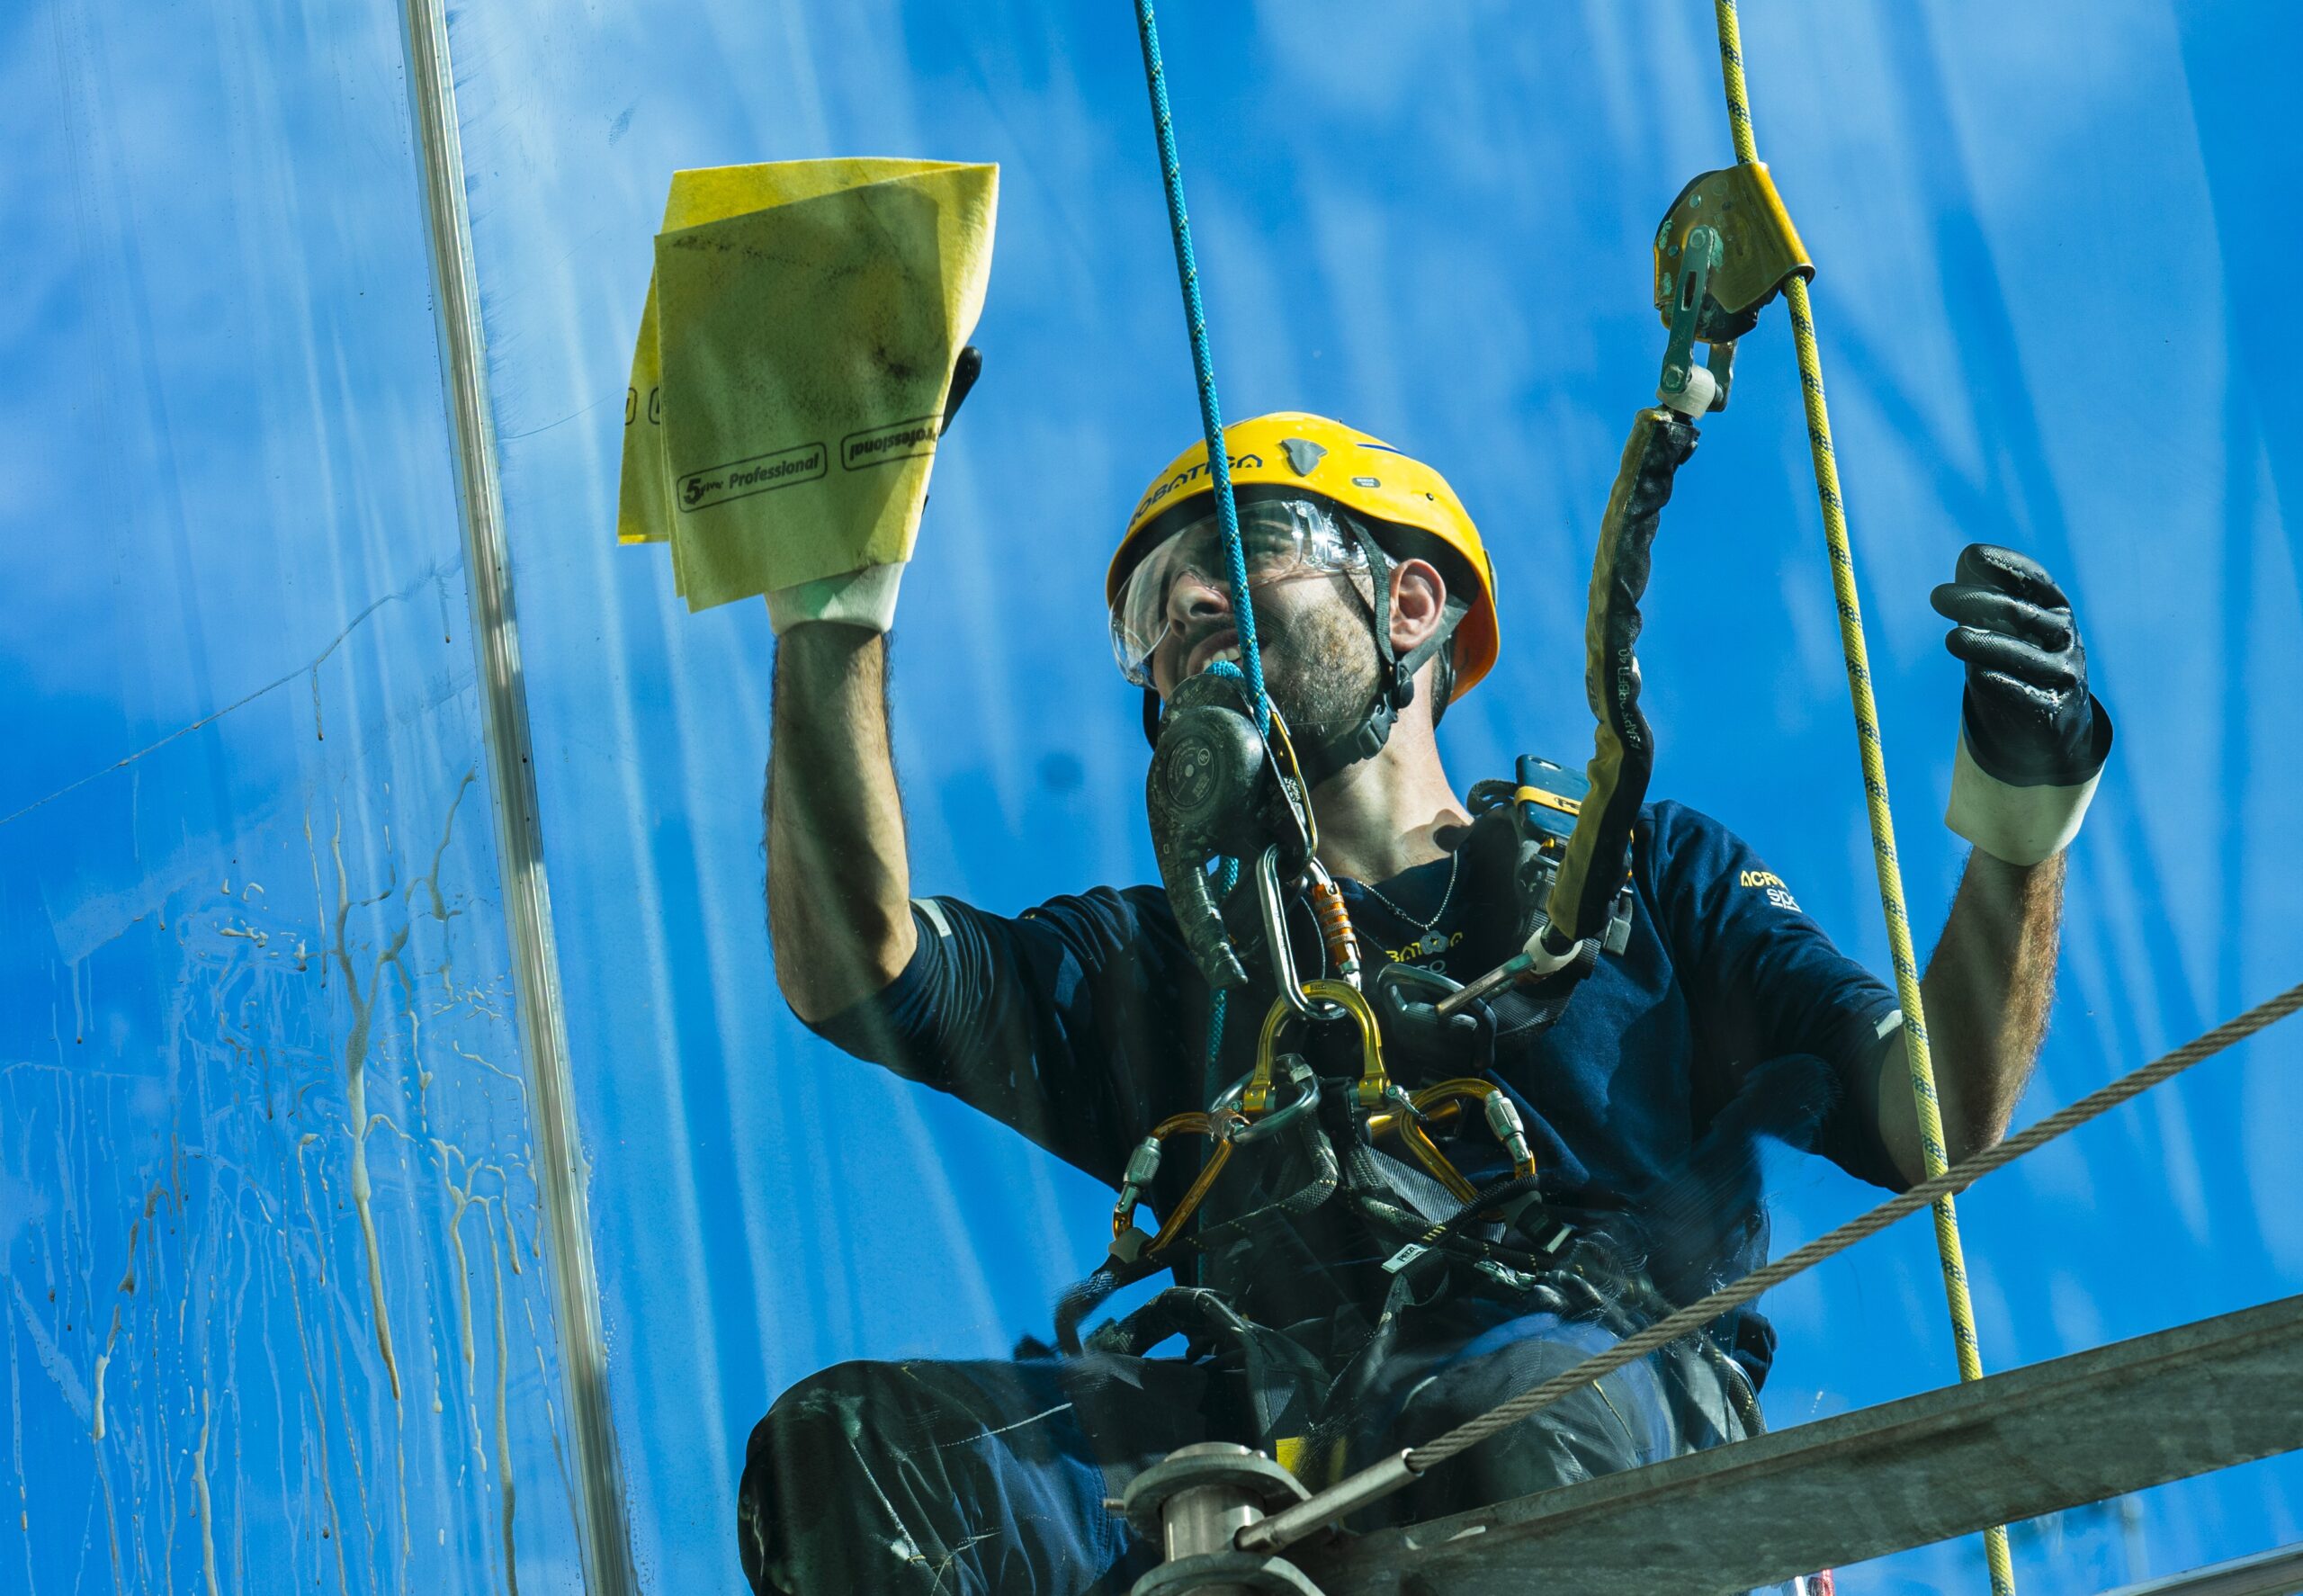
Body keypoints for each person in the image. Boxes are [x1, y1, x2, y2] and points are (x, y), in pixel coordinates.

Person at [739, 410, 2112, 1596]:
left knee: (1508, 1411)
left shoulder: (1632, 878)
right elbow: (855, 967)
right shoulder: (1170, 962)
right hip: (1270, 1447)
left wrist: (2021, 822)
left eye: (1228, 556)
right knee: (853, 1459)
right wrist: (832, 607)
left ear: (1409, 606)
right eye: (1151, 607)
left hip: (1581, 1407)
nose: (1180, 621)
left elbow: (1931, 1111)